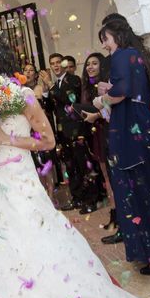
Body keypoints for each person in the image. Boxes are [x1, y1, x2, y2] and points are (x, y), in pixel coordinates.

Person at [0, 32, 148, 298]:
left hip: (22, 182)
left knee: (36, 243)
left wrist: (8, 139)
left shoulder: (22, 95)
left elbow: (46, 141)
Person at [94, 19, 150, 275]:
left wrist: (102, 98)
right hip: (142, 130)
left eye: (106, 39)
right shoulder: (139, 56)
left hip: (129, 133)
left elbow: (123, 92)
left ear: (116, 35)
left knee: (133, 194)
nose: (106, 46)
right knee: (143, 192)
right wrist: (113, 89)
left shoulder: (122, 55)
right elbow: (140, 92)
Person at [41, 53, 90, 210]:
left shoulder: (73, 80)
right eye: (52, 63)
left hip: (76, 130)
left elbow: (69, 100)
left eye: (58, 62)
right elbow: (49, 108)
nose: (55, 66)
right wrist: (45, 92)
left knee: (82, 165)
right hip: (63, 132)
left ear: (63, 64)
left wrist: (51, 84)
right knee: (70, 166)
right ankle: (76, 198)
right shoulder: (56, 84)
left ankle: (90, 199)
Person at [79, 53, 117, 234]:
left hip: (111, 132)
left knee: (116, 177)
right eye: (88, 64)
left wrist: (99, 114)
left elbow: (114, 108)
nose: (90, 67)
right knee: (106, 177)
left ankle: (120, 216)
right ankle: (114, 214)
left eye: (94, 63)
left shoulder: (107, 83)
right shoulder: (86, 87)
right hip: (97, 134)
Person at [23, 63, 56, 199]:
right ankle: (43, 197)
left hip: (42, 129)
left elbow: (48, 107)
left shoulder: (41, 88)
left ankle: (51, 196)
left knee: (47, 164)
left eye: (31, 70)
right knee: (36, 165)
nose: (28, 72)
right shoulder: (20, 90)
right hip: (29, 130)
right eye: (26, 70)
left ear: (35, 74)